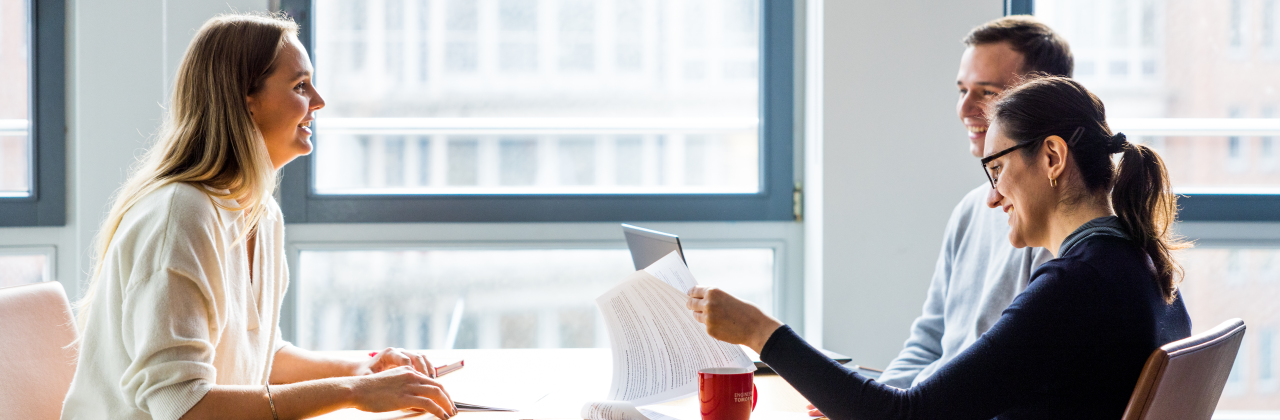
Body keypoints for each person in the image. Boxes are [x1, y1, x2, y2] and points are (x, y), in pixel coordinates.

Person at [688, 75, 1193, 419]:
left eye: (996, 169)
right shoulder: (1139, 263)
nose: (992, 198)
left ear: (1053, 157)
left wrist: (758, 331)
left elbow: (903, 417)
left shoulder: (1073, 287)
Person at [62, 14, 457, 420]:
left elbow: (259, 355)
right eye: (300, 86)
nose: (318, 101)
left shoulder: (262, 212)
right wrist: (352, 391)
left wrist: (361, 371)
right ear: (246, 101)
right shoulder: (180, 215)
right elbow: (182, 406)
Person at [875, 15, 1071, 390]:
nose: (964, 109)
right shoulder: (970, 209)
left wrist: (883, 406)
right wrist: (877, 399)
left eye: (987, 92)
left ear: (1040, 102)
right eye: (962, 90)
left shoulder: (1061, 229)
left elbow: (1002, 379)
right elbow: (929, 341)